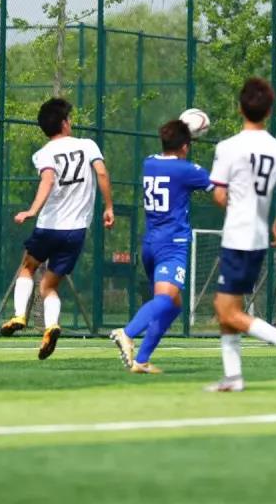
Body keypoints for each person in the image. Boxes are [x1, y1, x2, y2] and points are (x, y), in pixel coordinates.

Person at [205, 77, 276, 392]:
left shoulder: (227, 147)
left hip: (236, 236)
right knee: (229, 307)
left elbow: (219, 195)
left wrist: (231, 201)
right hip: (257, 237)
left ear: (240, 108)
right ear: (269, 111)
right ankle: (233, 377)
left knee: (226, 310)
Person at [2, 97, 114, 361]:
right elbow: (102, 174)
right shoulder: (88, 145)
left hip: (49, 226)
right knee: (49, 286)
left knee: (28, 266)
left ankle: (19, 315)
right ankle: (51, 325)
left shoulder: (44, 153)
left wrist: (32, 210)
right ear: (64, 123)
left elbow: (48, 180)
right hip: (76, 231)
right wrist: (109, 206)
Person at [110, 120, 212, 374]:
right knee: (166, 299)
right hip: (172, 244)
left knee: (173, 304)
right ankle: (127, 333)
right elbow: (217, 187)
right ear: (186, 146)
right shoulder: (186, 170)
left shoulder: (149, 163)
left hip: (150, 244)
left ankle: (141, 361)